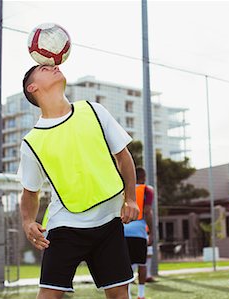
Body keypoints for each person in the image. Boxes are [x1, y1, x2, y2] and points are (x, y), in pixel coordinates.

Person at [19, 64, 139, 299]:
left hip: (109, 222)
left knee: (119, 294)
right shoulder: (32, 142)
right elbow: (29, 192)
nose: (54, 66)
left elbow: (123, 157)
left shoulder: (93, 110)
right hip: (64, 225)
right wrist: (27, 221)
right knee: (49, 295)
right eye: (44, 68)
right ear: (32, 87)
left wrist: (131, 198)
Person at [124, 167, 154, 299]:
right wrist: (152, 232)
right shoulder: (147, 190)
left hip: (123, 231)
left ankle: (128, 295)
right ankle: (141, 295)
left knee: (125, 265)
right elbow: (147, 211)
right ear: (144, 177)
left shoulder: (122, 189)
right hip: (139, 232)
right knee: (142, 264)